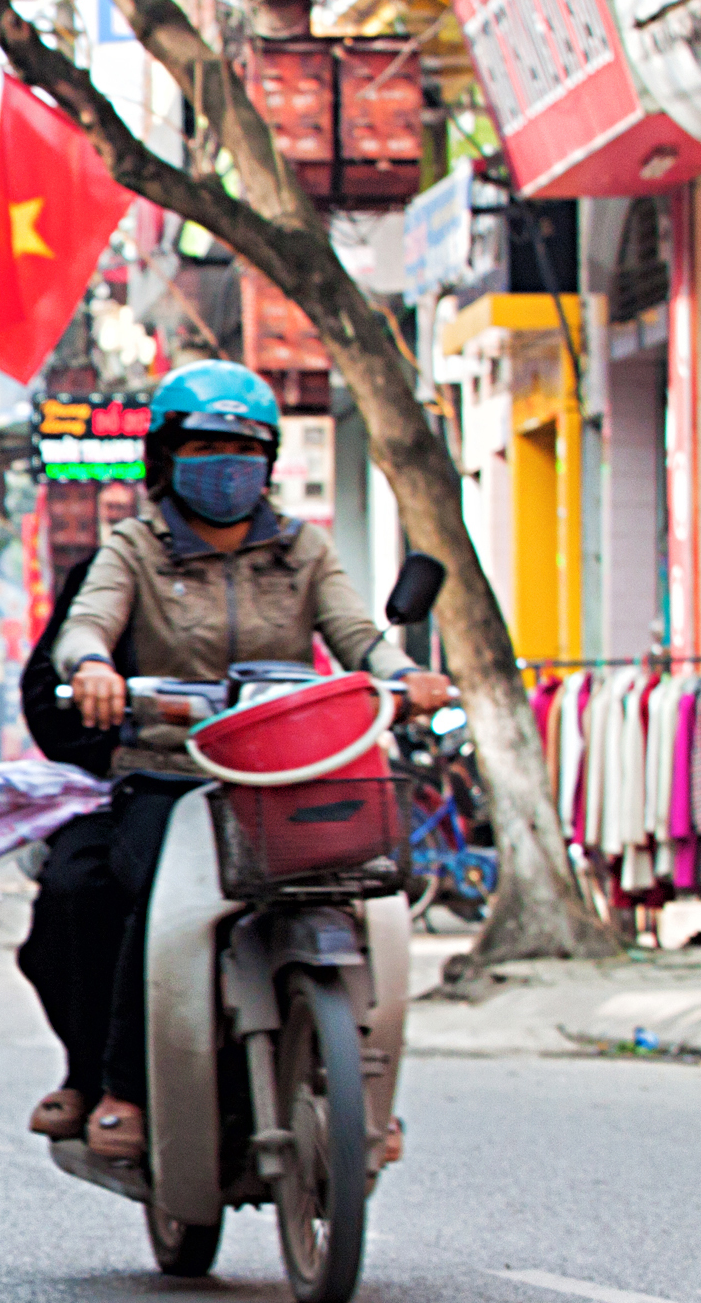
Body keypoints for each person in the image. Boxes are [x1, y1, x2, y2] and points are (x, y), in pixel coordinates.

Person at [25, 359, 453, 1161]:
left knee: (363, 893)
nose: (226, 465)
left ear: (268, 460)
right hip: (171, 774)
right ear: (165, 457)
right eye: (204, 446)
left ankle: (366, 1093)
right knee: (131, 897)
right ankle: (120, 1084)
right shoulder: (134, 549)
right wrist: (89, 669)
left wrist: (404, 677)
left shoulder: (303, 550)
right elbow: (88, 624)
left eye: (243, 447)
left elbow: (357, 638)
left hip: (287, 775)